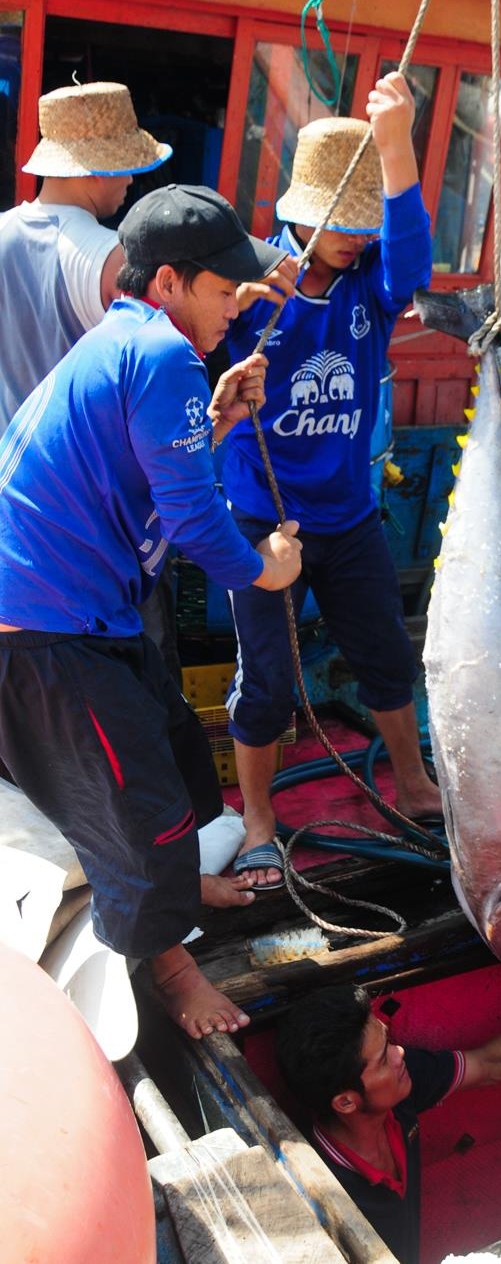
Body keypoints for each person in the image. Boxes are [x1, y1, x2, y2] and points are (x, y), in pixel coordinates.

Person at [0, 184, 303, 1037]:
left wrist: (216, 419)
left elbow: (145, 476)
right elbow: (196, 523)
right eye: (221, 290)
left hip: (82, 614)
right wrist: (267, 570)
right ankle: (171, 973)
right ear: (168, 281)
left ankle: (174, 888)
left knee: (173, 755)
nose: (233, 307)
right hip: (44, 630)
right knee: (135, 809)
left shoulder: (127, 342)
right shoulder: (165, 354)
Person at [220, 72, 442, 889]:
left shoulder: (369, 287)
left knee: (384, 653)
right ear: (296, 214)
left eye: (362, 225)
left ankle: (414, 783)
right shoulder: (250, 287)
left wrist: (397, 149)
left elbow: (411, 257)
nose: (355, 238)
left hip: (349, 519)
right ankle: (257, 822)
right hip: (260, 521)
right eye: (340, 225)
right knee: (266, 684)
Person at [275, 944, 501, 1264]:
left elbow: (490, 1065)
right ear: (345, 1102)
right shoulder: (323, 1191)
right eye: (384, 1059)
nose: (400, 1055)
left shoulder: (400, 1089)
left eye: (390, 1041)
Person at [0, 80, 171, 434]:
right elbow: (158, 373)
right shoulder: (113, 256)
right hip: (76, 476)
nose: (131, 181)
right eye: (126, 166)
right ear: (96, 169)